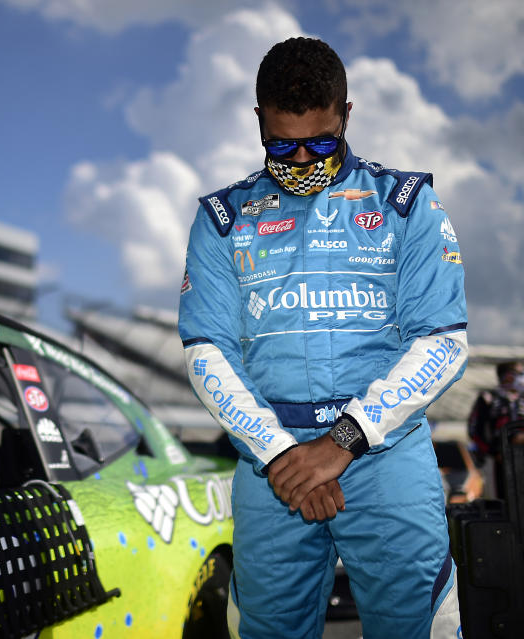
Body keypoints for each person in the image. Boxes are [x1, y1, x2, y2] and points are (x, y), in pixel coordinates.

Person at [178, 37, 467, 637]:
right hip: (272, 465)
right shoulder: (222, 219)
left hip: (386, 457)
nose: (304, 158)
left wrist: (341, 442)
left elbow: (443, 342)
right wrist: (283, 454)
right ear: (257, 119)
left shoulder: (407, 204)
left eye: (322, 141)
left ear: (346, 114)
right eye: (283, 144)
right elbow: (207, 350)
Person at [467, 360, 524, 498]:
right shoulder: (489, 398)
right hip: (498, 459)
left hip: (521, 456)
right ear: (507, 376)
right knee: (503, 499)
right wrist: (493, 452)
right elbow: (474, 429)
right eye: (519, 373)